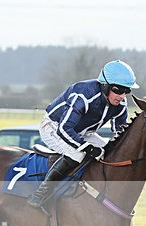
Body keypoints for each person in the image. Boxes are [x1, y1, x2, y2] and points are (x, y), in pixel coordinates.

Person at [26, 60, 139, 214]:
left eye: (127, 90)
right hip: (54, 126)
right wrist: (87, 147)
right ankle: (40, 195)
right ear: (105, 86)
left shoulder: (120, 105)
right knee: (77, 153)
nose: (122, 95)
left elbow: (120, 133)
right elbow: (64, 129)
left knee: (108, 152)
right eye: (118, 90)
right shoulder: (84, 94)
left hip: (84, 132)